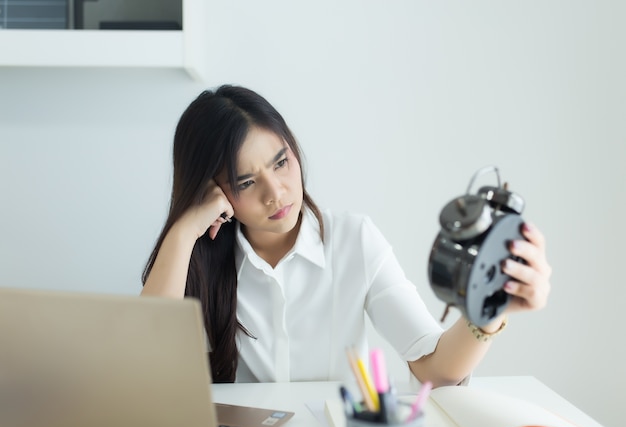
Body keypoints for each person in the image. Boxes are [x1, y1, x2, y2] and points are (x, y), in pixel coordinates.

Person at [141, 85, 551, 386]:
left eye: (281, 162)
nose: (276, 192)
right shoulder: (194, 261)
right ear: (212, 192)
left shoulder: (354, 239)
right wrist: (184, 230)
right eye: (246, 182)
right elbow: (146, 372)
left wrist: (491, 310)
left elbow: (434, 368)